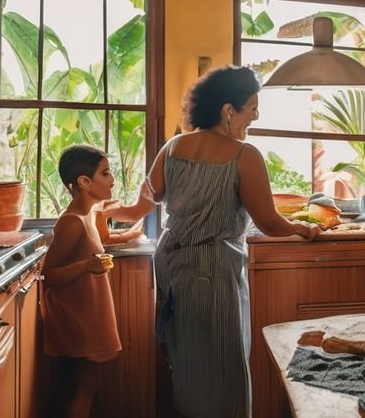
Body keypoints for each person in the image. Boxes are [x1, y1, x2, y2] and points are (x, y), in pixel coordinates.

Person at [110, 65, 321, 417]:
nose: (256, 115)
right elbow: (268, 221)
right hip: (213, 272)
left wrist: (99, 212)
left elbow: (139, 207)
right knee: (224, 366)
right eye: (252, 107)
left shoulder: (172, 147)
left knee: (186, 362)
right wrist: (305, 229)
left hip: (172, 267)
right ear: (228, 110)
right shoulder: (244, 155)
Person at [40, 144, 140, 418]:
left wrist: (131, 234)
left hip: (89, 311)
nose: (112, 180)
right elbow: (49, 274)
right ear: (84, 182)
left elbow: (103, 239)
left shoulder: (91, 213)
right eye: (105, 173)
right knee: (84, 386)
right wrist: (87, 265)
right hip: (76, 316)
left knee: (87, 384)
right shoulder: (71, 222)